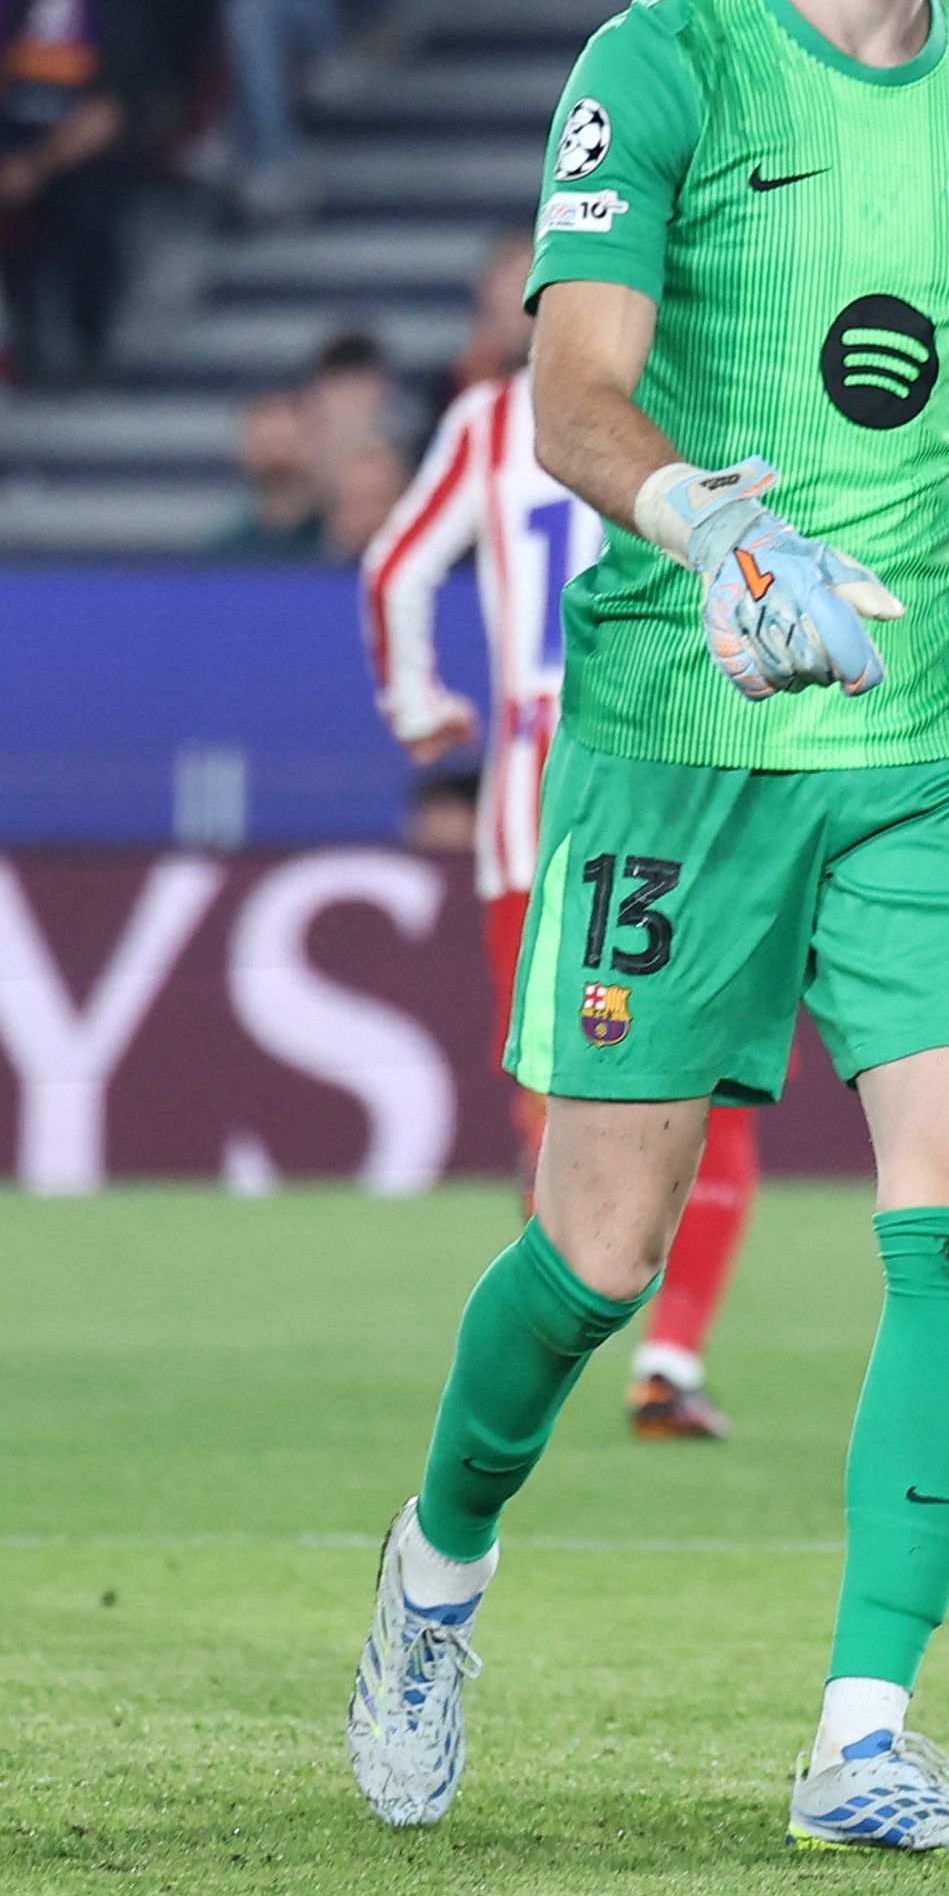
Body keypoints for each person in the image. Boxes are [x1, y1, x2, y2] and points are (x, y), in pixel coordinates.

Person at [345, 0, 949, 1857]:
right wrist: (712, 525)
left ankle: (862, 1732)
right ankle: (432, 1574)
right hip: (684, 731)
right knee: (594, 1258)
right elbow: (570, 398)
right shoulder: (651, 67)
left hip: (931, 738)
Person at [359, 235, 762, 1441]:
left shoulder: (492, 419)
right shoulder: (715, 396)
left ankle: (548, 1353)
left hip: (531, 816)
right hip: (683, 793)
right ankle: (670, 1359)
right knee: (713, 1093)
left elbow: (392, 568)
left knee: (555, 1097)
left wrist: (420, 705)